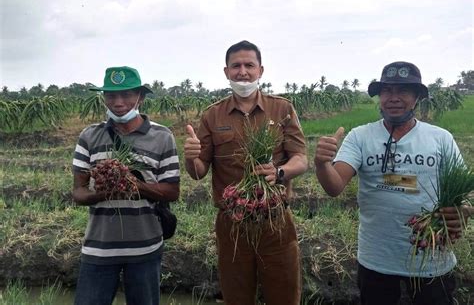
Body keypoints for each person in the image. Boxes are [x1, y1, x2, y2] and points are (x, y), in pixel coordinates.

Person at [314, 61, 472, 305]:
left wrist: (463, 211)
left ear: (417, 97)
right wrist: (322, 164)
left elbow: (466, 193)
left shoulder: (440, 139)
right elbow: (334, 187)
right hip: (377, 259)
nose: (393, 98)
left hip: (430, 256)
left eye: (403, 91)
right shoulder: (360, 136)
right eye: (387, 91)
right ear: (379, 97)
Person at [183, 40, 308, 305]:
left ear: (260, 70)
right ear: (226, 72)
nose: (243, 72)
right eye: (236, 66)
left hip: (275, 220)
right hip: (233, 222)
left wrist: (280, 172)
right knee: (237, 296)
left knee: (284, 295)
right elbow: (198, 172)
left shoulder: (282, 109)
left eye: (249, 65)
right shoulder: (212, 115)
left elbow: (300, 159)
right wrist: (191, 157)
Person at [72, 66, 180, 305]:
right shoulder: (89, 136)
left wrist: (136, 187)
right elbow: (78, 193)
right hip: (99, 248)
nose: (118, 102)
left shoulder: (163, 136)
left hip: (145, 248)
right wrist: (102, 193)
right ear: (103, 98)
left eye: (127, 95)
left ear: (140, 97)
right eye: (111, 95)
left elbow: (172, 191)